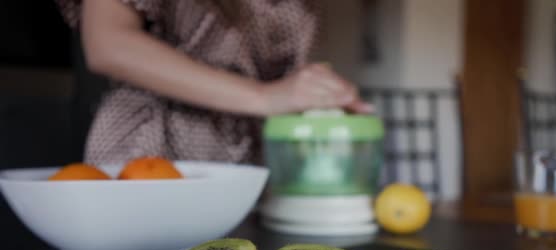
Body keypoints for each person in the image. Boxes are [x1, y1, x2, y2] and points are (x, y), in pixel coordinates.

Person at [56, 0, 370, 164]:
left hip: (249, 159)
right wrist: (264, 97)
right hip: (152, 146)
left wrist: (319, 100)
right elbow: (108, 44)